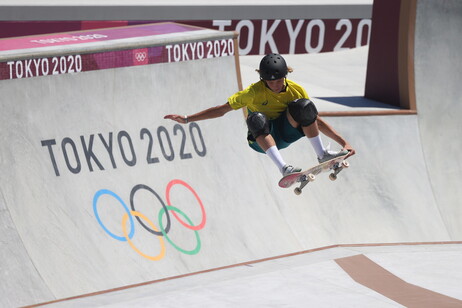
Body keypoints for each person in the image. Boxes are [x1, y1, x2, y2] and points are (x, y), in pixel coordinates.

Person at [164, 53, 355, 177]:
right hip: (260, 138)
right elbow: (222, 110)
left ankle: (321, 155)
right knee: (256, 118)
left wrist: (343, 142)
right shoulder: (252, 92)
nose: (275, 86)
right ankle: (283, 168)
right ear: (263, 79)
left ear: (285, 76)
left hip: (286, 133)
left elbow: (315, 120)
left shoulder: (295, 90)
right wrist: (188, 119)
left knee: (305, 106)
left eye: (279, 81)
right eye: (270, 82)